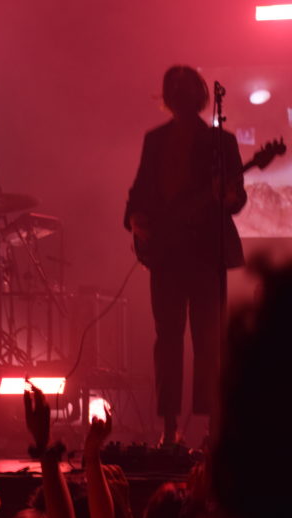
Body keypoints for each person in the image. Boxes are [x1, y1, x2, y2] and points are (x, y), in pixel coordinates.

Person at [124, 66, 247, 446]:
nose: (179, 95)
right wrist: (136, 220)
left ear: (199, 96)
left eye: (185, 88)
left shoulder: (221, 142)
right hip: (166, 255)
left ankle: (211, 428)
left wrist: (228, 196)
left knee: (208, 340)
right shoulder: (155, 141)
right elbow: (139, 191)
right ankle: (169, 429)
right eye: (174, 89)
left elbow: (237, 197)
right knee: (169, 340)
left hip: (207, 254)